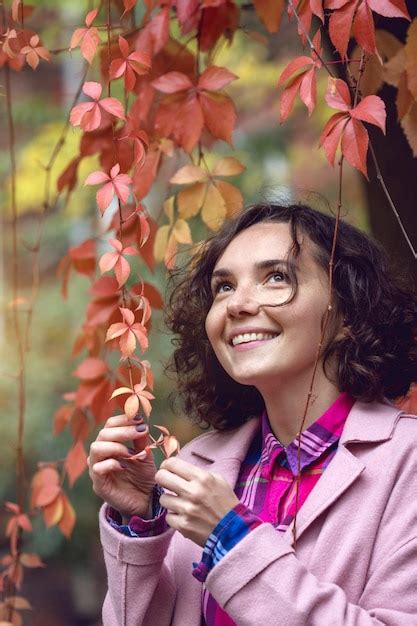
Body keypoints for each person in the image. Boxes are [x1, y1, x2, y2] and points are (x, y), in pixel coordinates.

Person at [88, 203, 417, 625]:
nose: (237, 305)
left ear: (347, 312)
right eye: (223, 287)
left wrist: (232, 538)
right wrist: (143, 521)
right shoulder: (193, 465)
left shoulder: (405, 460)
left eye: (276, 277)